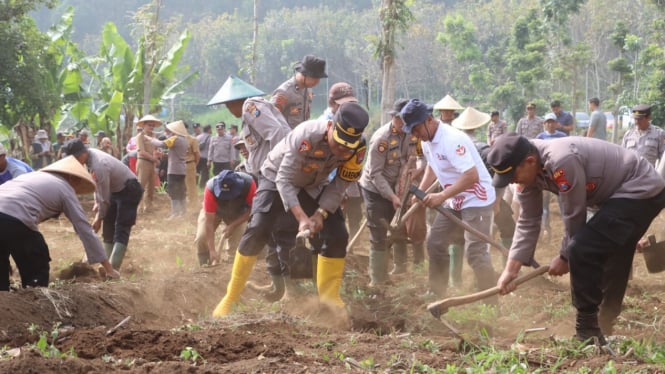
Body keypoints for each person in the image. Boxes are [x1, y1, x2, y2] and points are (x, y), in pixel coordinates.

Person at [488, 133, 665, 345]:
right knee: (613, 254)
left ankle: (588, 330)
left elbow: (574, 214)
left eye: (513, 176)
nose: (513, 182)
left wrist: (565, 256)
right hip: (615, 198)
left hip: (640, 189)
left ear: (530, 161)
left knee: (581, 249)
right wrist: (511, 270)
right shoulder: (529, 169)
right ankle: (604, 322)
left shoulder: (561, 160)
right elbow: (528, 220)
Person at [211, 101, 369, 318]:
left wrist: (321, 213)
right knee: (258, 228)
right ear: (331, 126)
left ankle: (329, 301)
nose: (341, 150)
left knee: (338, 234)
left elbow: (340, 183)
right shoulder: (307, 135)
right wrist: (302, 217)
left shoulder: (358, 148)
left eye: (346, 147)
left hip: (314, 185)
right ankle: (231, 298)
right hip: (276, 176)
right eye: (338, 143)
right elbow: (284, 180)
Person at [400, 99, 497, 299]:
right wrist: (422, 191)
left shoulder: (452, 139)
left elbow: (471, 176)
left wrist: (441, 195)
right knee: (435, 242)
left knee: (476, 253)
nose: (414, 134)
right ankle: (437, 294)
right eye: (412, 130)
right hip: (455, 199)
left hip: (476, 198)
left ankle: (490, 301)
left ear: (429, 120)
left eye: (416, 128)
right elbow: (432, 167)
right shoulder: (426, 141)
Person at [206, 75, 291, 300]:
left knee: (265, 228)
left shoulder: (250, 107)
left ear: (235, 101)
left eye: (227, 104)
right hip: (264, 176)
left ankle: (289, 290)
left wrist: (275, 169)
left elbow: (279, 135)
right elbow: (260, 148)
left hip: (272, 178)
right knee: (271, 232)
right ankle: (279, 288)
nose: (228, 109)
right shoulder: (250, 115)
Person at [0, 156, 120, 291]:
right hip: (15, 219)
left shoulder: (31, 177)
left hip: (8, 215)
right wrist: (109, 269)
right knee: (36, 267)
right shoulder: (64, 188)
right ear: (72, 178)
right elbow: (85, 230)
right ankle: (35, 299)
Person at [359, 98, 425, 286]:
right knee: (379, 231)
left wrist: (418, 169)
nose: (405, 124)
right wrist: (392, 197)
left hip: (400, 188)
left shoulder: (413, 134)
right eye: (402, 119)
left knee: (398, 227)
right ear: (395, 118)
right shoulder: (382, 139)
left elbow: (421, 156)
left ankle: (400, 267)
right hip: (376, 190)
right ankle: (377, 279)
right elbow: (375, 174)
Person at [448, 107, 515, 288]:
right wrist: (498, 200)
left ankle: (456, 281)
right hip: (483, 199)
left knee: (457, 236)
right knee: (506, 228)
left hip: (458, 198)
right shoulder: (484, 149)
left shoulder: (452, 146)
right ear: (478, 127)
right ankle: (504, 274)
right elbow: (500, 173)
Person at [62, 139, 143, 270]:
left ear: (82, 154)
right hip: (115, 190)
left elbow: (104, 196)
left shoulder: (100, 164)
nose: (74, 162)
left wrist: (98, 217)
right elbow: (97, 186)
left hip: (129, 190)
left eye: (75, 158)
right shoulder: (90, 157)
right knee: (108, 224)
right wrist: (97, 204)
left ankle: (113, 266)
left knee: (121, 226)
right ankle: (105, 264)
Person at [194, 170, 256, 266]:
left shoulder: (249, 184)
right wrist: (212, 250)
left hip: (238, 214)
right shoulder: (210, 188)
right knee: (202, 237)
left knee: (237, 244)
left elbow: (252, 210)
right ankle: (205, 264)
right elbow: (209, 222)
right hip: (215, 212)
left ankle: (230, 267)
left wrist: (233, 225)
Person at [271, 54, 327, 128]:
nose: (317, 82)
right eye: (315, 78)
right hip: (286, 137)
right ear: (305, 74)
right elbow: (270, 119)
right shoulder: (284, 92)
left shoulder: (308, 89)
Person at [148, 120, 189, 218]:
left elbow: (160, 144)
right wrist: (165, 155)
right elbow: (176, 154)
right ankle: (182, 212)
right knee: (181, 190)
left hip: (174, 169)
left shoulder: (175, 138)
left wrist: (149, 138)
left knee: (173, 190)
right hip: (181, 169)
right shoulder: (184, 140)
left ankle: (175, 213)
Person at [135, 115, 162, 213]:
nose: (151, 127)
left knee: (151, 186)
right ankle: (138, 207)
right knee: (141, 185)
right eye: (149, 125)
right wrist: (153, 159)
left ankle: (148, 206)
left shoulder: (153, 137)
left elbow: (155, 150)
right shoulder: (140, 136)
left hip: (151, 163)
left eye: (153, 126)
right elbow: (141, 152)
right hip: (143, 162)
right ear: (144, 126)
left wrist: (157, 158)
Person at [184, 123, 201, 209]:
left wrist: (194, 164)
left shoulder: (192, 139)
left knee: (191, 186)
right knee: (182, 186)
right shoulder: (177, 139)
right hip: (179, 165)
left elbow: (197, 154)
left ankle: (194, 205)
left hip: (189, 164)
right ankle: (186, 204)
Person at [196, 124, 212, 189]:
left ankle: (195, 184)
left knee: (197, 172)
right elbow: (211, 149)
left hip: (198, 157)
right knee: (205, 173)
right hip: (206, 157)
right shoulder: (210, 138)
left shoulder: (198, 137)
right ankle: (202, 186)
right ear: (209, 129)